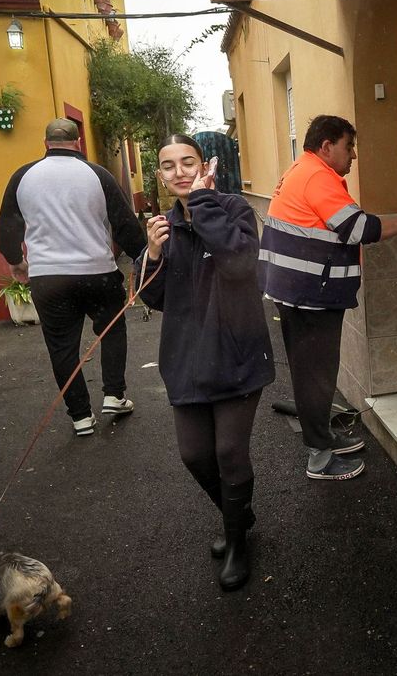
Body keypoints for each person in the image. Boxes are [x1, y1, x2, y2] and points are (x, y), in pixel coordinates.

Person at [259, 114, 397, 480]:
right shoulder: (318, 176)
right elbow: (360, 228)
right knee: (316, 374)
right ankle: (319, 457)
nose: (353, 155)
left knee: (313, 371)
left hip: (297, 292)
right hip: (309, 296)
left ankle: (322, 436)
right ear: (326, 147)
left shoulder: (300, 170)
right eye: (349, 147)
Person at [139, 134, 272, 591]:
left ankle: (237, 542)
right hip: (186, 360)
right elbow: (154, 298)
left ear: (205, 166)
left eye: (187, 162)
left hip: (237, 355)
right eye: (168, 165)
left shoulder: (233, 210)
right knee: (194, 454)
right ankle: (239, 513)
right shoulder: (164, 226)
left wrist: (204, 203)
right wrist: (152, 254)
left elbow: (239, 265)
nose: (178, 172)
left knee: (230, 453)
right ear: (159, 174)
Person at [0, 118, 146, 436]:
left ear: (45, 143)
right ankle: (114, 394)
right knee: (111, 329)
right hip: (97, 273)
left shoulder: (22, 177)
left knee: (62, 347)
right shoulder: (97, 174)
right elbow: (125, 224)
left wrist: (17, 263)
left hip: (48, 278)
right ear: (78, 142)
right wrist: (143, 257)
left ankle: (80, 416)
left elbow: (7, 231)